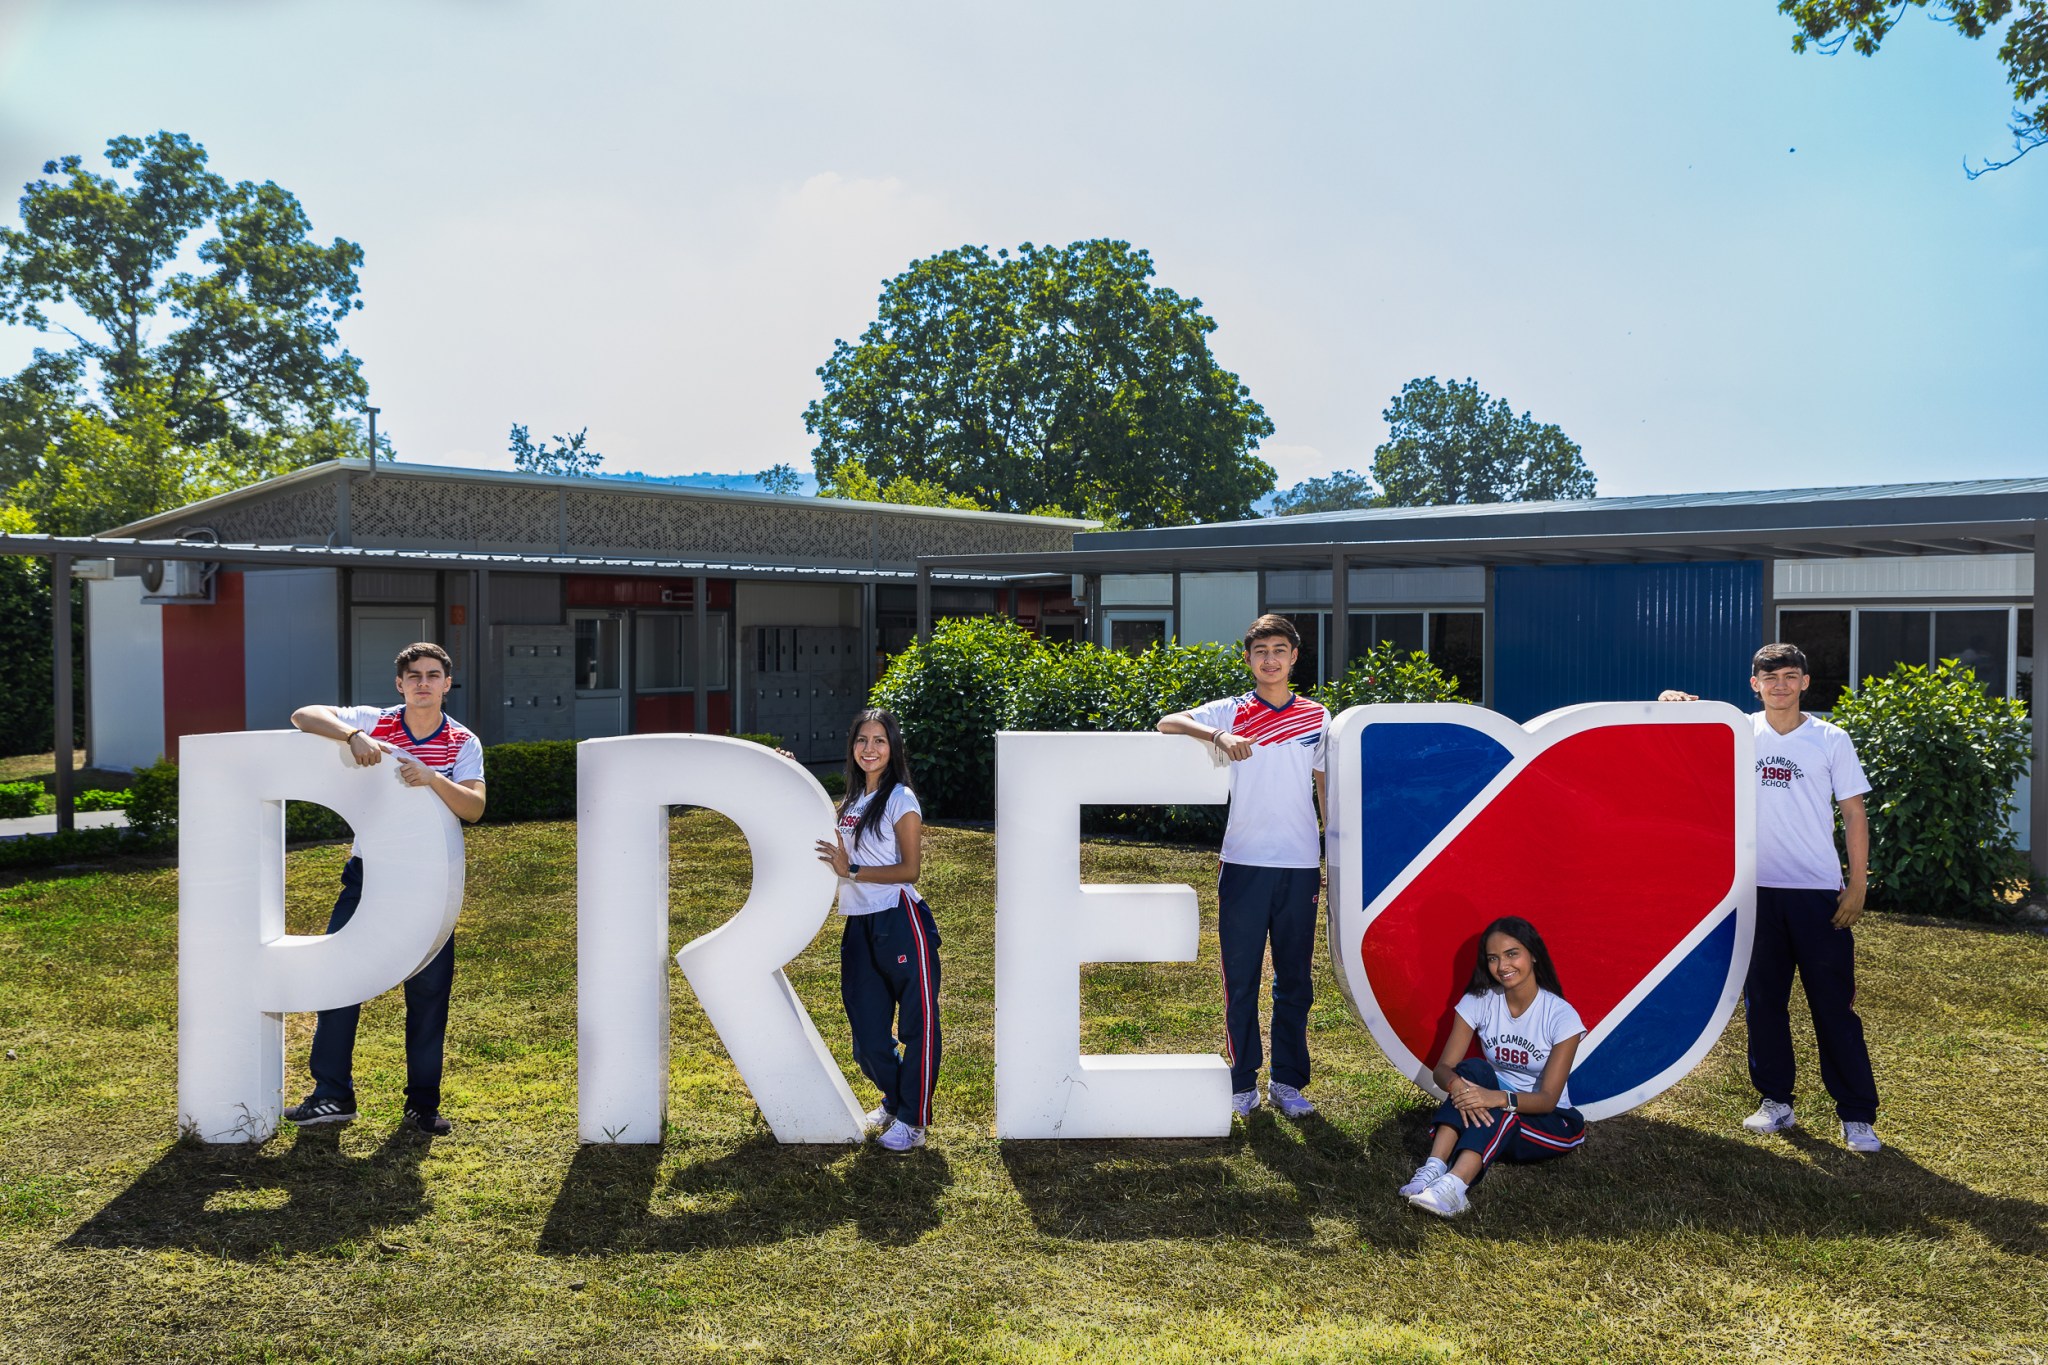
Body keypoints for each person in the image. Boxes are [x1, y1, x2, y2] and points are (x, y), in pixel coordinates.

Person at [1660, 642, 1880, 1152]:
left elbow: (1853, 814)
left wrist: (1857, 884)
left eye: (1789, 675)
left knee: (1834, 1007)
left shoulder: (1830, 738)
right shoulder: (1739, 732)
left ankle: (1856, 1115)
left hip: (1816, 892)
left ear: (1804, 682)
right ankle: (1777, 1102)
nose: (1780, 684)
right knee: (1764, 1003)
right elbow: (1686, 734)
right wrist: (1671, 701)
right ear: (1753, 684)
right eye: (1769, 677)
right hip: (1753, 892)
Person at [283, 642, 487, 1136]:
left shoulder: (462, 741)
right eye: (413, 675)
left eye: (432, 675)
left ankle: (422, 1106)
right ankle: (332, 1095)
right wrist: (352, 734)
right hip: (367, 874)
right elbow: (302, 714)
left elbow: (475, 808)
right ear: (400, 684)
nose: (422, 683)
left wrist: (433, 778)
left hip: (429, 878)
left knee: (428, 993)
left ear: (447, 683)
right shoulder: (377, 721)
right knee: (337, 977)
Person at [1157, 614, 1329, 1120]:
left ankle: (1288, 1082)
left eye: (1280, 650)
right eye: (1260, 652)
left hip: (1298, 865)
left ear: (1295, 657)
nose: (1270, 659)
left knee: (1295, 978)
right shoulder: (1233, 711)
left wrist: (1328, 854)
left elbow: (1325, 786)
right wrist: (1216, 736)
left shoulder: (1318, 718)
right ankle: (1241, 1081)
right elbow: (1168, 721)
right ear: (1250, 659)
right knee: (1242, 979)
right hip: (1243, 864)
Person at [813, 708, 941, 1154]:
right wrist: (787, 769)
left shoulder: (900, 799)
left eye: (880, 741)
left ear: (893, 748)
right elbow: (815, 832)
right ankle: (895, 1100)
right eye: (862, 740)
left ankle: (913, 1120)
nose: (870, 749)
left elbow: (911, 870)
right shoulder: (850, 803)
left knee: (917, 1026)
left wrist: (855, 869)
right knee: (867, 1041)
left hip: (900, 920)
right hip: (859, 923)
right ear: (852, 747)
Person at [1400, 917, 1587, 1218]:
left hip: (1552, 1120)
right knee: (1471, 1070)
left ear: (1533, 954)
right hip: (1493, 1100)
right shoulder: (1480, 1000)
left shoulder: (1561, 1016)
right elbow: (1443, 1069)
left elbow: (1548, 1098)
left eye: (1512, 953)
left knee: (1501, 1112)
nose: (1503, 966)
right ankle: (1433, 1166)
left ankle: (1455, 1187)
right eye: (1493, 958)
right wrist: (1458, 1086)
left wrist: (1497, 1098)